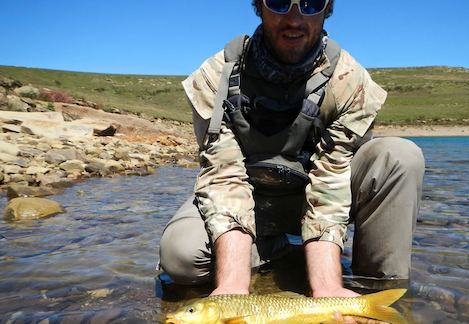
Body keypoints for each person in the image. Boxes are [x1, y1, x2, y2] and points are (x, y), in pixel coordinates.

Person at [159, 0, 425, 301]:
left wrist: (326, 288)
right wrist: (232, 289)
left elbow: (331, 181)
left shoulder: (351, 82)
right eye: (279, 2)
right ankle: (276, 249)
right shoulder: (215, 76)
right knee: (182, 257)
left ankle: (378, 293)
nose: (295, 18)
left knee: (400, 157)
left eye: (311, 3)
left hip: (315, 193)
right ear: (259, 5)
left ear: (327, 9)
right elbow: (224, 178)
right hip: (250, 200)